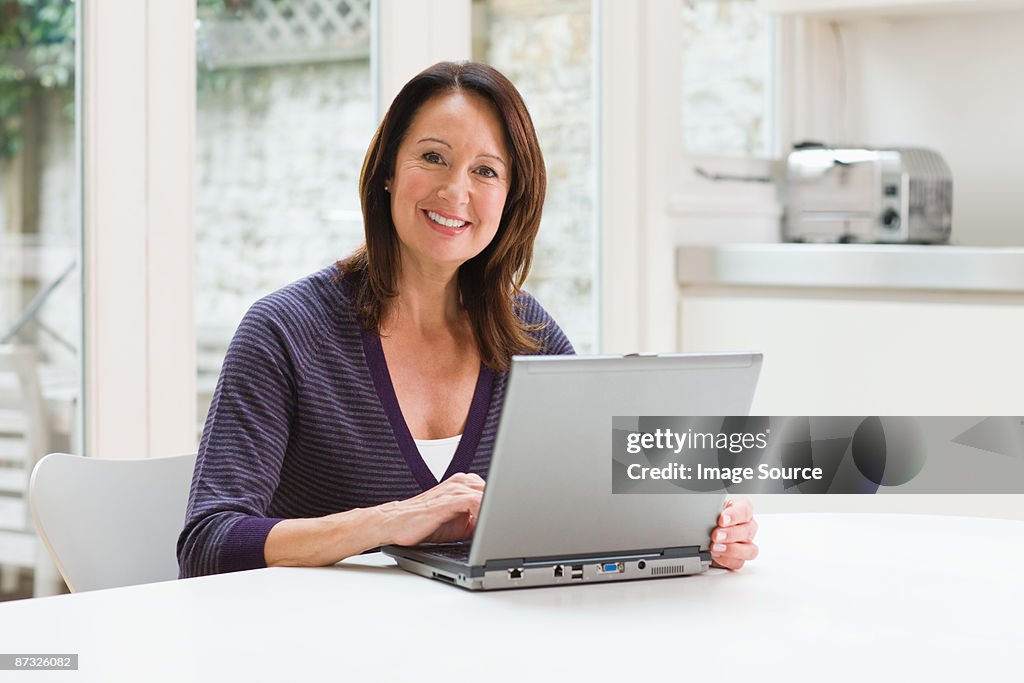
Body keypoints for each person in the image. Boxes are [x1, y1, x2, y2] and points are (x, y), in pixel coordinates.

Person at [177, 61, 758, 579]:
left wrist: (703, 527)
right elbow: (209, 542)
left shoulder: (529, 336)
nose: (456, 190)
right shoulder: (285, 332)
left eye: (486, 171)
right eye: (433, 157)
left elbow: (593, 505)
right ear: (387, 172)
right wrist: (389, 522)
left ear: (510, 198)